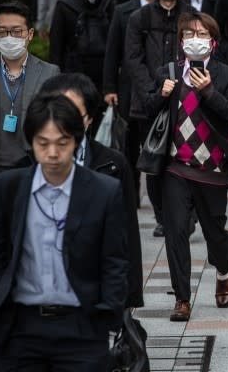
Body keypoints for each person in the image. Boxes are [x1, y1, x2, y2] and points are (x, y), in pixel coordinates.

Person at [0, 94, 128, 370]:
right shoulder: (6, 189)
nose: (52, 154)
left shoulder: (103, 191)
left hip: (81, 327)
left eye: (62, 143)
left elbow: (114, 260)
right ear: (31, 142)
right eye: (42, 143)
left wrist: (107, 317)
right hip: (21, 327)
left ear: (76, 141)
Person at [144, 11, 228, 322]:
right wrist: (159, 95)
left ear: (213, 42)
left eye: (202, 35)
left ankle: (223, 272)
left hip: (212, 170)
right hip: (176, 167)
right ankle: (182, 298)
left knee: (215, 232)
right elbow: (146, 109)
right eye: (189, 34)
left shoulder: (227, 75)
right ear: (181, 41)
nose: (195, 40)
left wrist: (209, 92)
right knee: (175, 231)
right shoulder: (169, 72)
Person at [37, 73, 144, 311]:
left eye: (72, 114)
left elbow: (127, 235)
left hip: (95, 290)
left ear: (89, 119)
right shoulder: (26, 167)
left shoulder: (113, 164)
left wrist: (128, 298)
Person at [125, 0, 192, 237]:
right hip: (148, 103)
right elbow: (133, 59)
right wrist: (153, 91)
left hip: (186, 99)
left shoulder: (190, 16)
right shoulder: (139, 18)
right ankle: (162, 216)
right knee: (154, 159)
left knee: (187, 157)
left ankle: (188, 215)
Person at [0, 2, 60, 206]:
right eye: (2, 31)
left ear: (29, 34)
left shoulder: (49, 73)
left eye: (16, 31)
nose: (9, 37)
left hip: (33, 170)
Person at [103, 0, 159, 197]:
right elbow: (112, 53)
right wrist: (109, 88)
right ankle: (130, 193)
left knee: (157, 146)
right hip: (128, 90)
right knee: (128, 145)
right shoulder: (122, 11)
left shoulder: (171, 12)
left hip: (158, 89)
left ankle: (160, 206)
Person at [49, 0, 115, 91]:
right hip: (73, 78)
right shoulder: (64, 7)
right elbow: (56, 51)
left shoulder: (110, 6)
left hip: (104, 78)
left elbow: (116, 47)